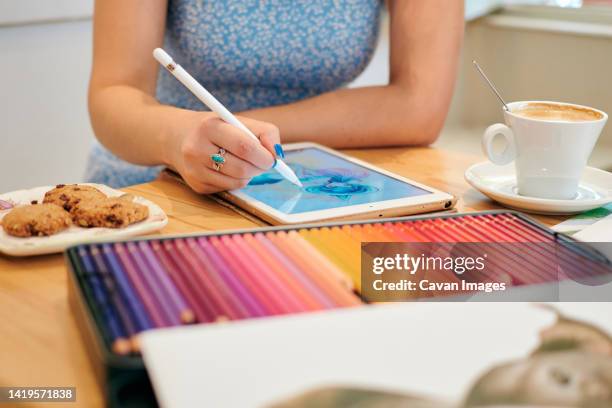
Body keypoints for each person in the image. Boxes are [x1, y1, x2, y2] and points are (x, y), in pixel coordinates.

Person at [86, 1, 464, 192]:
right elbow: (114, 94)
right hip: (162, 176)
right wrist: (182, 135)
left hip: (320, 188)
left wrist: (241, 137)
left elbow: (418, 106)